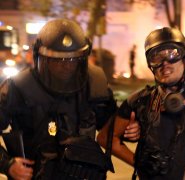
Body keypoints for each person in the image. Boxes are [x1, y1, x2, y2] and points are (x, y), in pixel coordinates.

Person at [0, 18, 139, 179]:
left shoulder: (95, 85)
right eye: (58, 60)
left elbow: (110, 130)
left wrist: (130, 131)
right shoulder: (18, 88)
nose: (66, 65)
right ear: (41, 57)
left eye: (72, 59)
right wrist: (7, 164)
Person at [97, 27, 185, 179]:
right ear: (150, 65)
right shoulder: (140, 101)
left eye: (172, 54)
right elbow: (105, 138)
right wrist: (139, 162)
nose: (165, 63)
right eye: (157, 58)